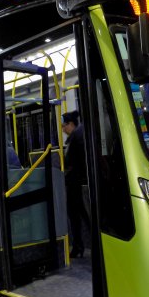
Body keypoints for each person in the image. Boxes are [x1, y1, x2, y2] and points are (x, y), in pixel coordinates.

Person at [62, 110, 89, 258]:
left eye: (64, 126)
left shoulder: (76, 138)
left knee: (78, 217)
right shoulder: (76, 136)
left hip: (76, 185)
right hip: (76, 185)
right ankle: (79, 246)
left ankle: (79, 246)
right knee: (80, 216)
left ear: (71, 124)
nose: (63, 129)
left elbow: (74, 162)